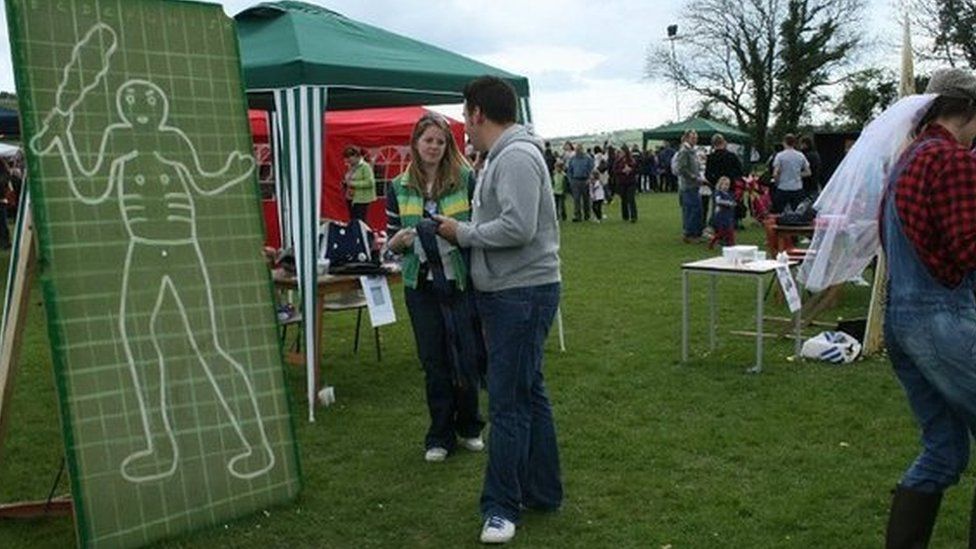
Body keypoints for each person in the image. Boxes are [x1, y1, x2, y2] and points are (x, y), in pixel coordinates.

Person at [434, 75, 562, 545]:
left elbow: (518, 227)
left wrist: (461, 233)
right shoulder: (501, 157)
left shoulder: (517, 157)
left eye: (465, 114)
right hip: (514, 292)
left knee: (508, 403)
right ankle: (543, 492)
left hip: (521, 293)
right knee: (529, 394)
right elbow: (504, 222)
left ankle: (501, 508)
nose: (463, 125)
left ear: (477, 113)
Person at [881, 67, 976, 548]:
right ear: (970, 110)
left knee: (944, 451)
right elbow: (968, 248)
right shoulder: (952, 160)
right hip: (942, 320)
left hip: (898, 319)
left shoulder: (906, 157)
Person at [385, 112, 486, 464]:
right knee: (434, 360)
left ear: (448, 146)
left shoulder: (466, 180)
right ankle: (439, 434)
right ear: (415, 143)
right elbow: (390, 241)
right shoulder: (397, 186)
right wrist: (396, 242)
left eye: (440, 142)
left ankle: (470, 426)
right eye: (428, 140)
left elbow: (478, 228)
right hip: (421, 284)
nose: (433, 147)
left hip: (459, 280)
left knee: (466, 353)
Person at [675, 129, 704, 242]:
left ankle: (694, 233)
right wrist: (693, 177)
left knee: (695, 209)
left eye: (696, 137)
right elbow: (681, 168)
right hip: (688, 185)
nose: (695, 139)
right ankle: (689, 234)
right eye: (693, 137)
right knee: (692, 209)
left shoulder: (692, 151)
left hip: (694, 184)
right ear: (687, 138)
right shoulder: (684, 151)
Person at [770, 134, 810, 214]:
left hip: (783, 188)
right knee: (798, 212)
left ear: (784, 142)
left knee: (779, 212)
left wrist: (777, 183)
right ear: (794, 143)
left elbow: (775, 173)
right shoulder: (800, 155)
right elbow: (808, 172)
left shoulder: (780, 156)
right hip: (797, 188)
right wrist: (797, 174)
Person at [343, 146, 376, 221]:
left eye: (349, 158)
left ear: (356, 156)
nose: (348, 161)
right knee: (353, 220)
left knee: (360, 221)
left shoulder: (365, 167)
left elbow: (370, 182)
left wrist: (353, 184)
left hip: (362, 199)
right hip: (351, 197)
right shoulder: (351, 167)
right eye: (346, 158)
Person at [566, 143, 594, 222]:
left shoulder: (587, 158)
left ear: (582, 150)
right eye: (576, 150)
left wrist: (589, 178)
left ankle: (587, 215)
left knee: (586, 199)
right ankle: (577, 216)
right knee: (576, 199)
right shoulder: (572, 159)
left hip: (585, 180)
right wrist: (570, 180)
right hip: (575, 180)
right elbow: (569, 170)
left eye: (579, 150)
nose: (578, 151)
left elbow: (591, 169)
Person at [709, 176, 736, 248]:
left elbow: (732, 201)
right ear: (720, 184)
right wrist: (728, 203)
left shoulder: (728, 194)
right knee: (722, 232)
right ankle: (713, 242)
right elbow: (718, 201)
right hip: (721, 216)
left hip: (728, 216)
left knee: (730, 231)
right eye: (724, 184)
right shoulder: (718, 193)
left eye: (728, 185)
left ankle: (731, 244)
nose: (726, 186)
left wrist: (733, 203)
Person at [614, 147, 638, 222]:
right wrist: (622, 171)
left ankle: (633, 216)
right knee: (623, 199)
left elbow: (636, 169)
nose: (620, 153)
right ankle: (625, 216)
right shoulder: (617, 161)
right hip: (622, 182)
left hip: (631, 182)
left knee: (631, 199)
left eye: (622, 152)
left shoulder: (632, 160)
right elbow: (614, 170)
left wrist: (630, 170)